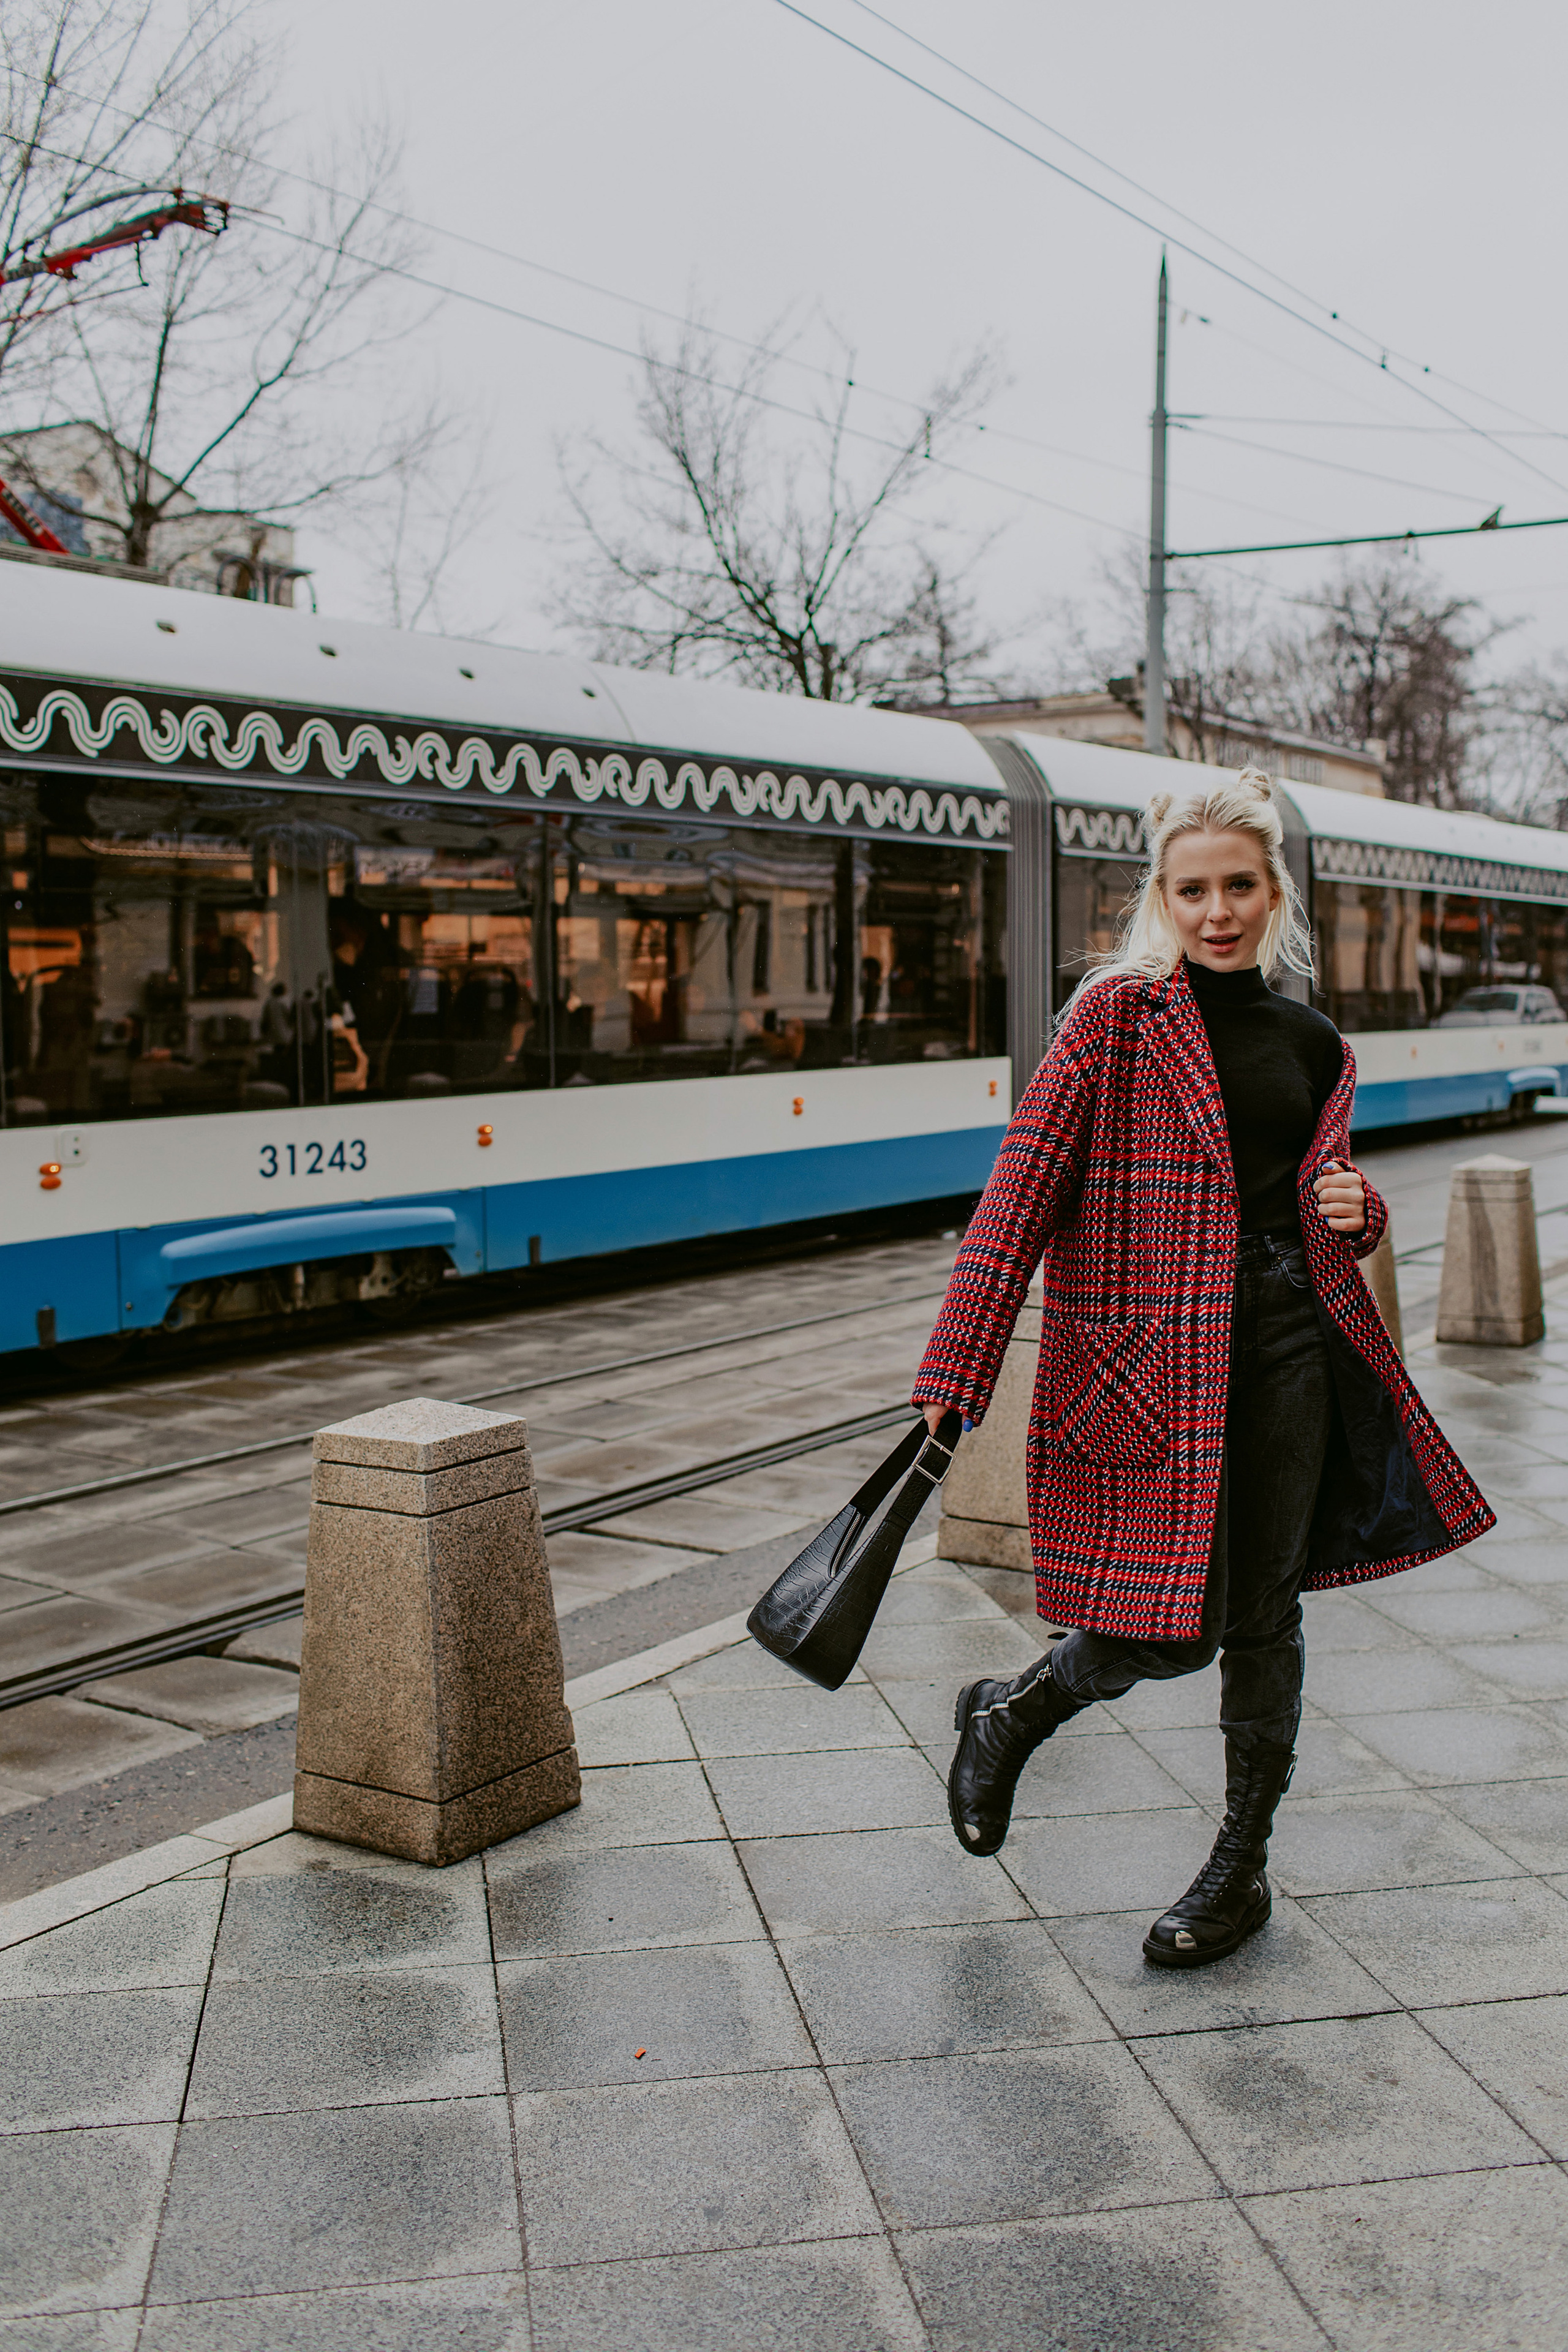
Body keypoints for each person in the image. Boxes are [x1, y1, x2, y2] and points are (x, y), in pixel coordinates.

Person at [912, 769, 1493, 1969]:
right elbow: (1016, 1196)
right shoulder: (1113, 1020)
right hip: (1148, 1364)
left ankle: (1239, 1870)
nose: (1215, 910)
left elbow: (1310, 1199)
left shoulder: (1312, 1039)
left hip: (1290, 1351)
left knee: (1266, 1616)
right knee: (1168, 1626)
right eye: (1191, 890)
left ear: (1273, 890)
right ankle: (1013, 1713)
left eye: (1237, 886)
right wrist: (954, 1371)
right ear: (1160, 898)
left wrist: (1357, 1209)